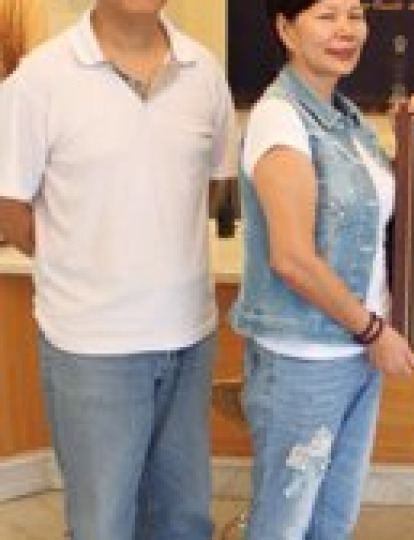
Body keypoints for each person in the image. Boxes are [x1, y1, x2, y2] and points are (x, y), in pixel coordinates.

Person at [0, 0, 235, 538]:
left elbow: (215, 190)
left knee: (184, 520)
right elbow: (10, 206)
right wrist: (81, 257)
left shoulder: (203, 71)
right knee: (103, 524)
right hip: (91, 346)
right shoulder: (39, 79)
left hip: (189, 337)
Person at [229, 0, 414, 537]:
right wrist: (373, 331)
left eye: (355, 15)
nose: (345, 30)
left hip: (354, 352)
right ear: (286, 29)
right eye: (326, 16)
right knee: (284, 524)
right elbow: (292, 258)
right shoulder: (280, 118)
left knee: (332, 521)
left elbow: (373, 225)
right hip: (307, 359)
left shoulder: (347, 118)